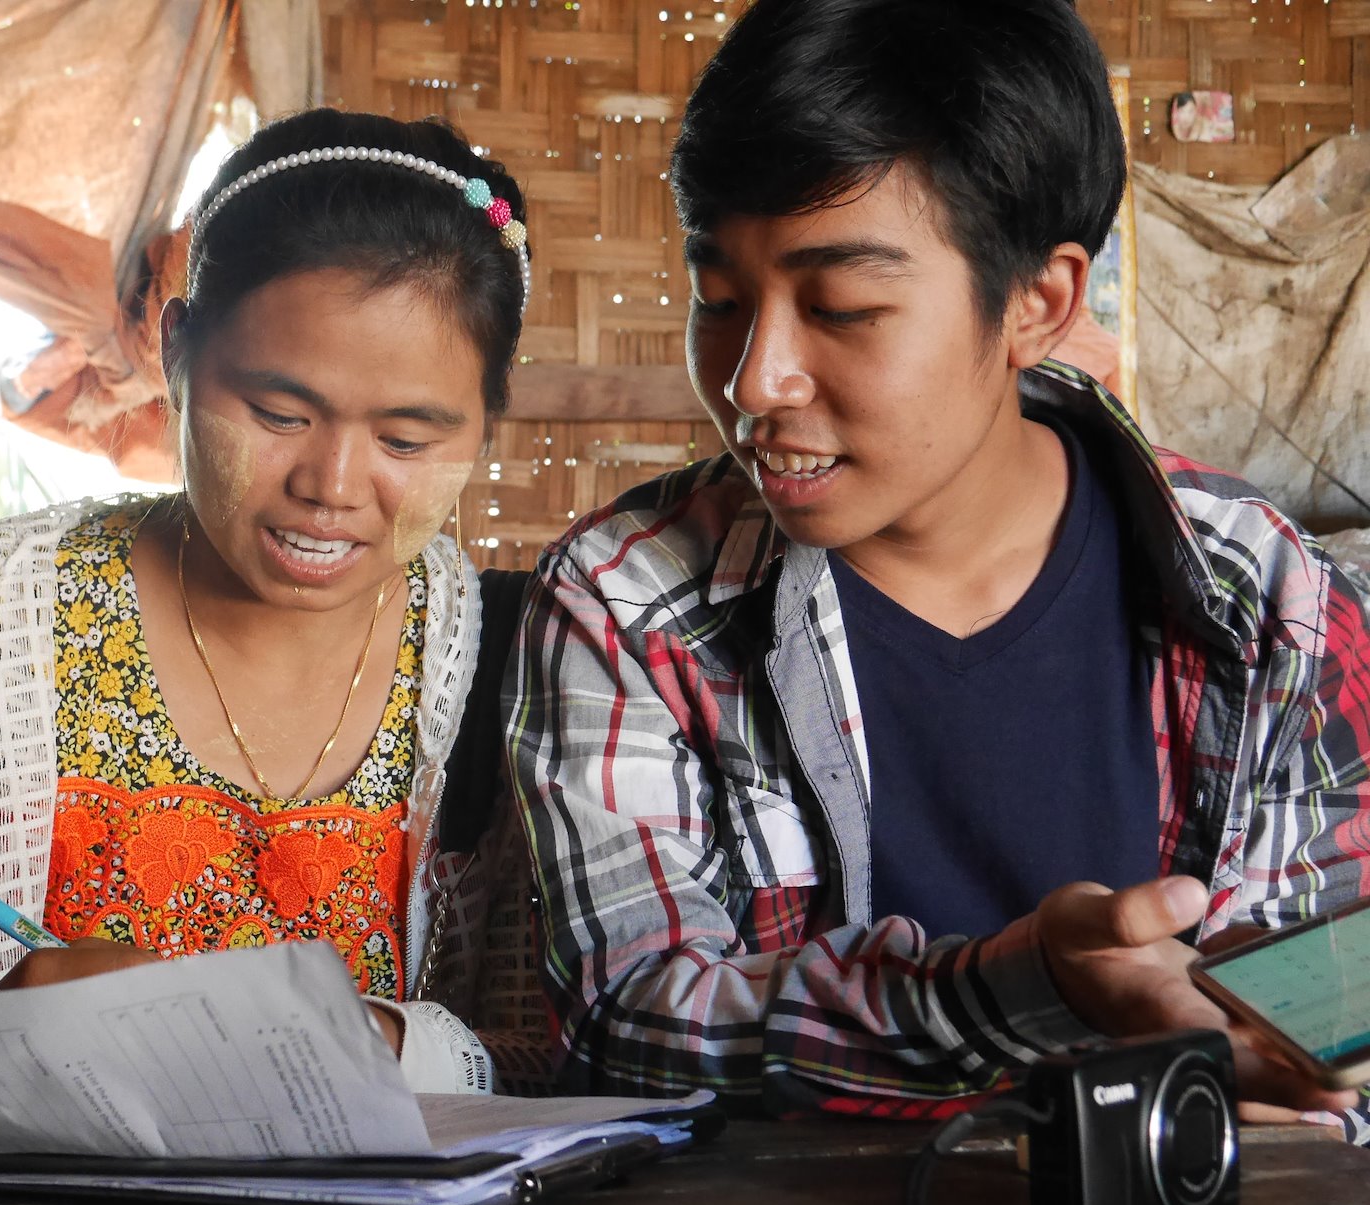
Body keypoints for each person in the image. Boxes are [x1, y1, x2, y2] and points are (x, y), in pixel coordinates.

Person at [506, 0, 1370, 1131]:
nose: (754, 378)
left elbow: (1323, 1027)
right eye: (719, 300)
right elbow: (626, 1025)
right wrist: (1010, 992)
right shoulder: (627, 602)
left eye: (842, 308)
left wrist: (1278, 1083)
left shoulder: (1269, 597)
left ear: (1037, 302)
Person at [0, 110, 552, 1138]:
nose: (330, 487)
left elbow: (569, 1058)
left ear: (484, 423)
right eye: (278, 414)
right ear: (175, 352)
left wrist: (299, 1034)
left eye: (405, 435)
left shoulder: (525, 661)